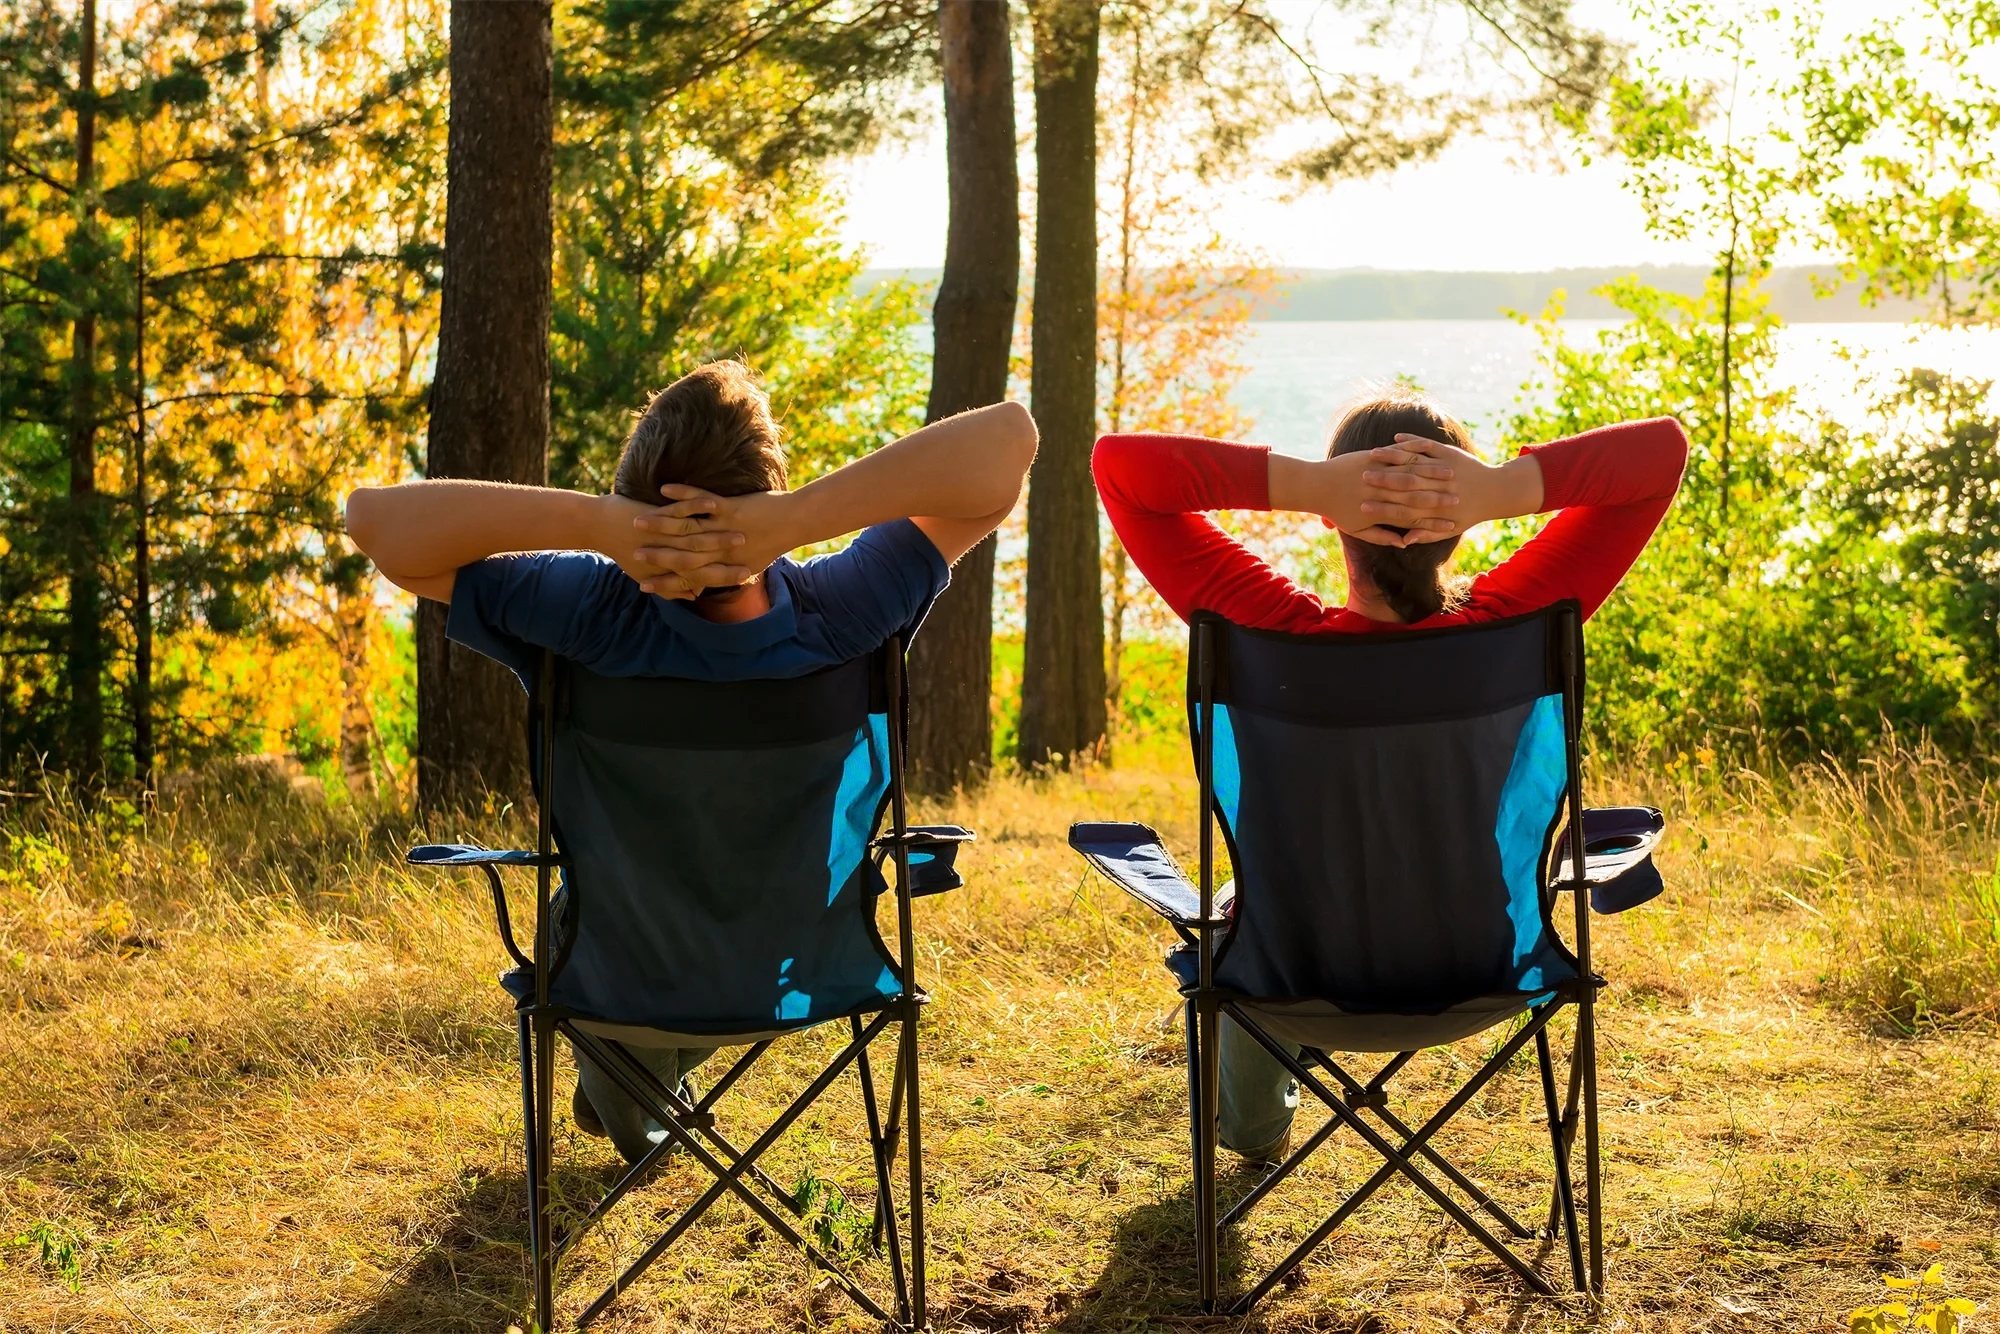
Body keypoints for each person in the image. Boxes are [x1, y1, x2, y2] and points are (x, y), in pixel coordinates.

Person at [345, 360, 1037, 1163]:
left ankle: (636, 1097)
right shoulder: (845, 607)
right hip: (802, 958)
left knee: (606, 959)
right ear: (767, 492)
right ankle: (640, 1092)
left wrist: (604, 529)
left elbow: (375, 525)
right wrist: (800, 520)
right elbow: (1007, 446)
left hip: (616, 975)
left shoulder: (587, 614)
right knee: (687, 963)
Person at [1090, 390, 1689, 1165]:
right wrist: (1501, 489)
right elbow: (1660, 454)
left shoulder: (1267, 630)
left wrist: (1308, 484)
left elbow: (1121, 469)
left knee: (1240, 913)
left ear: (1338, 520)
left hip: (1288, 977)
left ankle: (1253, 1132)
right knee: (1258, 909)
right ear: (1455, 524)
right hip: (1482, 972)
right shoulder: (1514, 624)